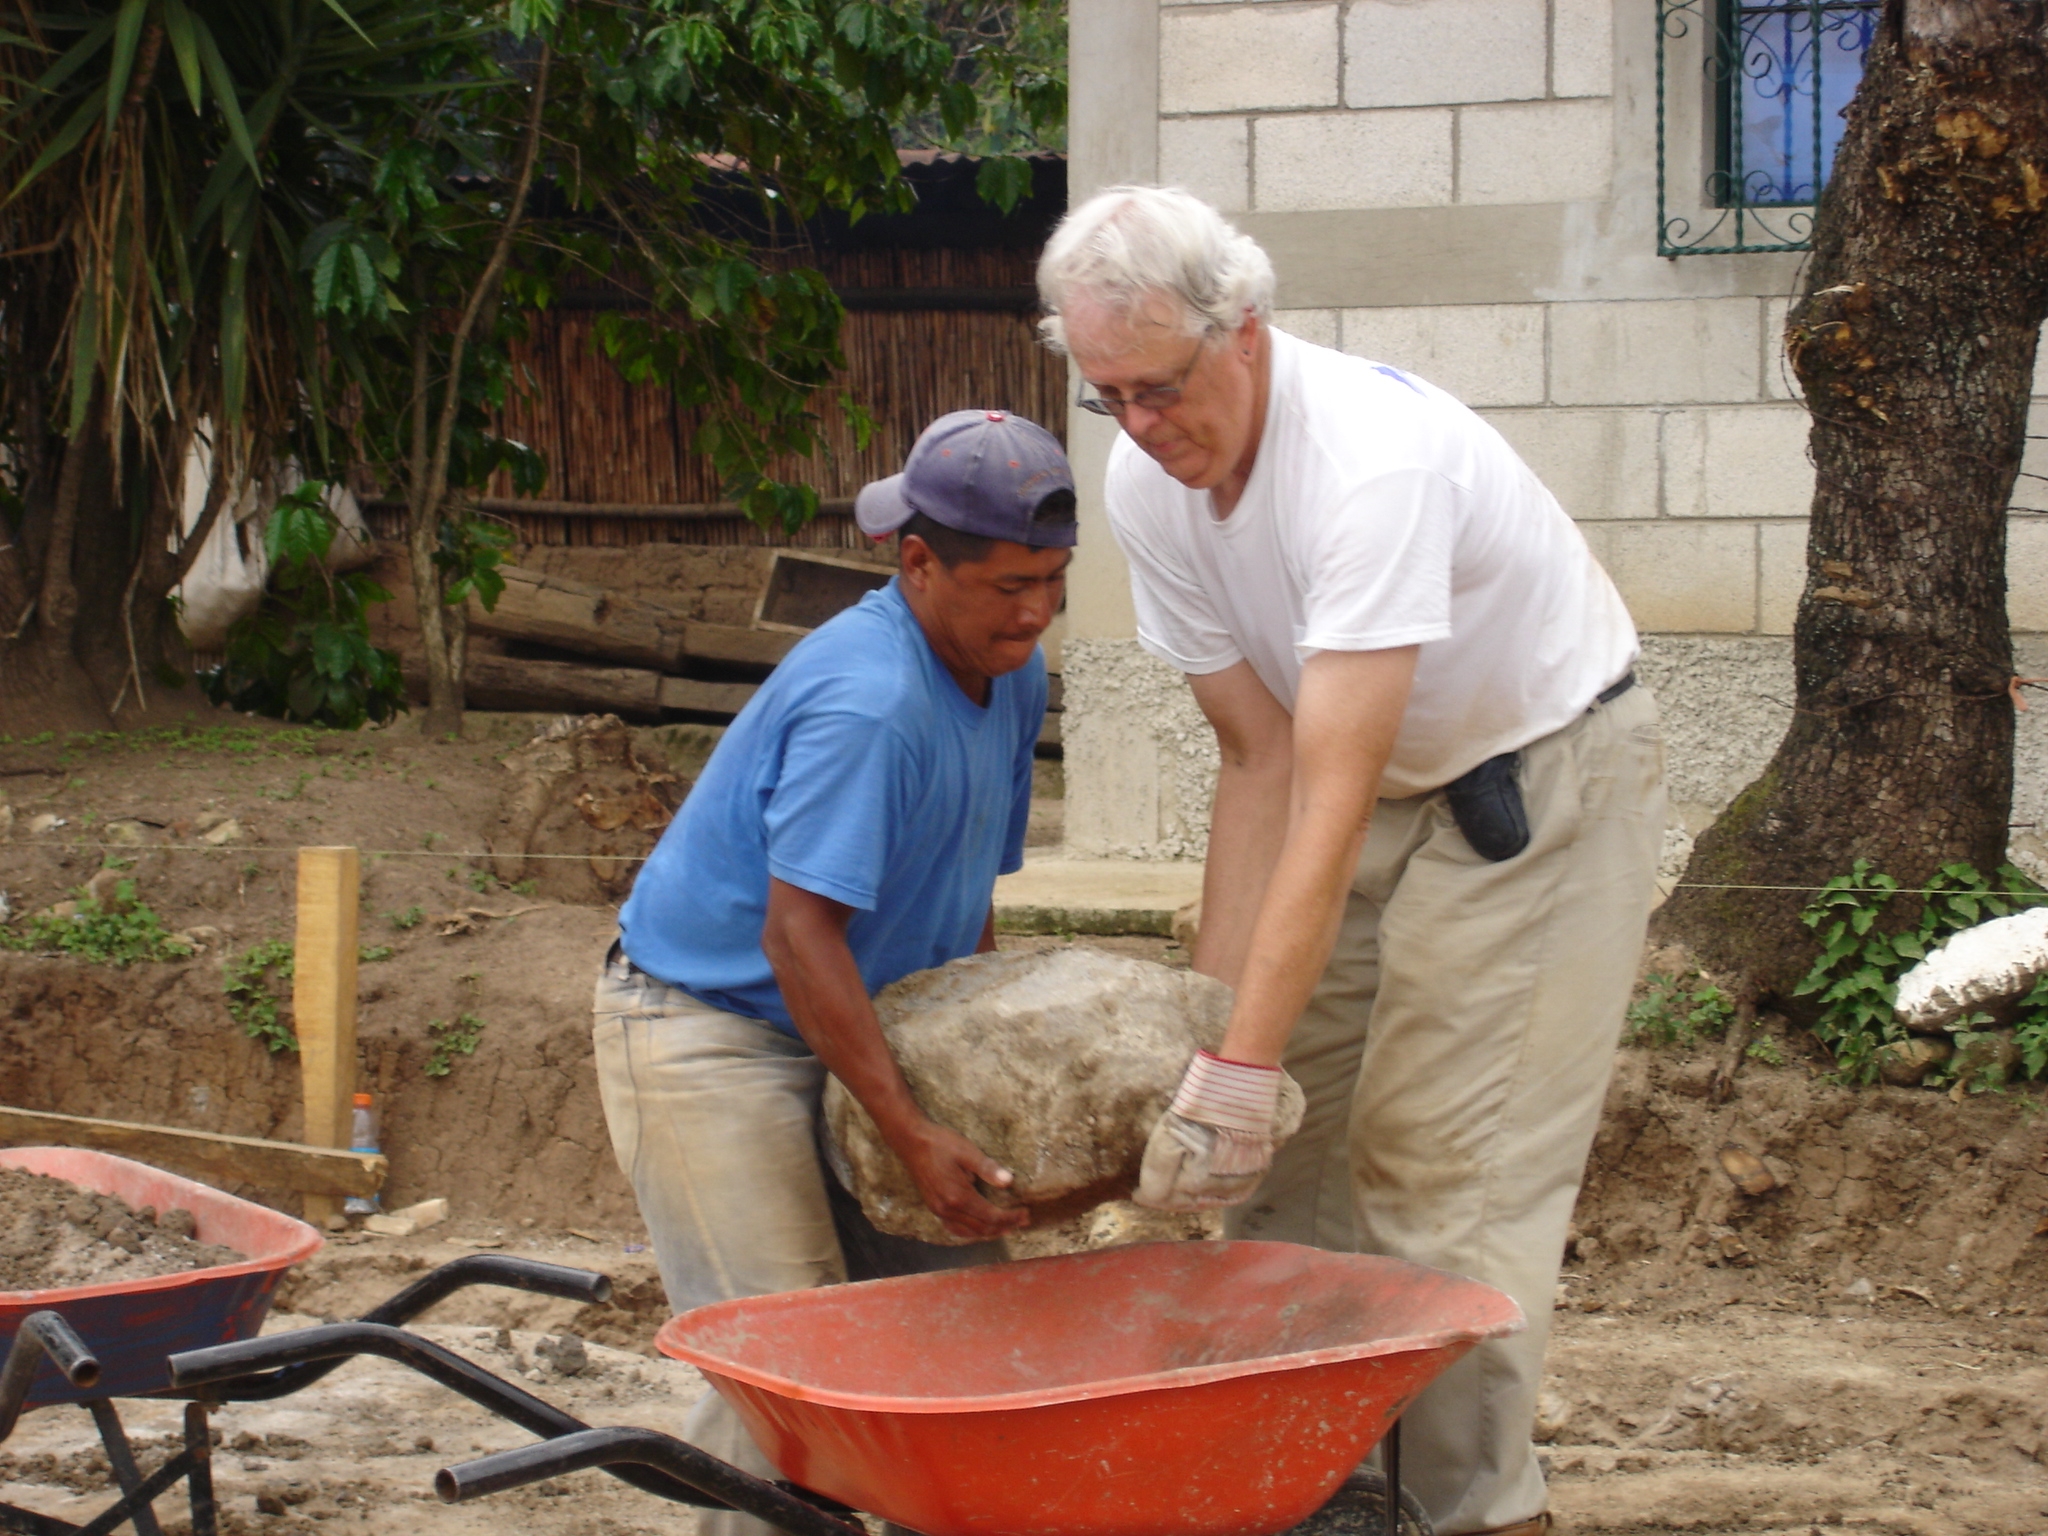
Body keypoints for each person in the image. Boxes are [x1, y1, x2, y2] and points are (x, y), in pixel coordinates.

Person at [1036, 187, 1666, 1536]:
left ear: (1244, 330)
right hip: (1360, 785)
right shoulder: (1153, 481)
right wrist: (1208, 1055)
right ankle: (1312, 1491)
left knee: (1445, 1174)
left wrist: (1238, 1073)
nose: (1142, 426)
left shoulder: (1370, 460)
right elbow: (1259, 760)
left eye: (1162, 386)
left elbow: (1327, 790)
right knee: (1278, 1173)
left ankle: (1473, 1510)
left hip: (1538, 780)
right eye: (1110, 398)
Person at [591, 410, 1074, 1536]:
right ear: (915, 563)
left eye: (1052, 579)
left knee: (963, 1336)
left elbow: (968, 904)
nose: (1036, 609)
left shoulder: (1013, 672)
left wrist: (974, 1076)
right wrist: (910, 1134)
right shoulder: (869, 703)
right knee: (789, 1363)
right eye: (1008, 584)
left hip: (864, 1009)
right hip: (709, 1024)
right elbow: (796, 940)